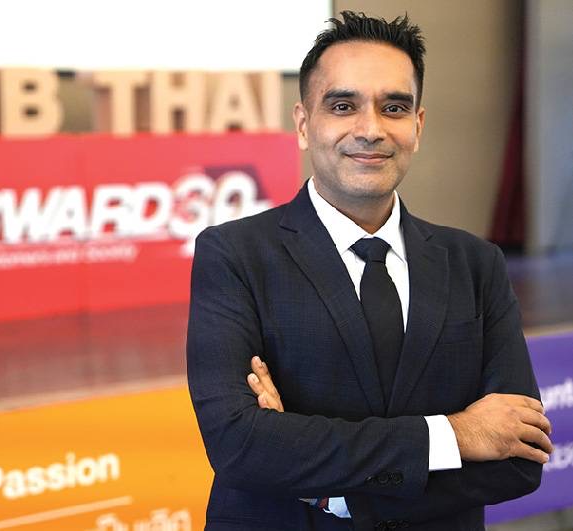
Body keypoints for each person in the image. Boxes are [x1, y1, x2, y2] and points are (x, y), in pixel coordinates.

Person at [186, 11, 553, 531]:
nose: (371, 129)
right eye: (343, 106)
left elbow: (519, 458)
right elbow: (240, 444)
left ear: (417, 126)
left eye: (394, 107)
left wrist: (339, 495)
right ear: (303, 124)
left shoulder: (477, 263)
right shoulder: (234, 254)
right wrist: (456, 434)